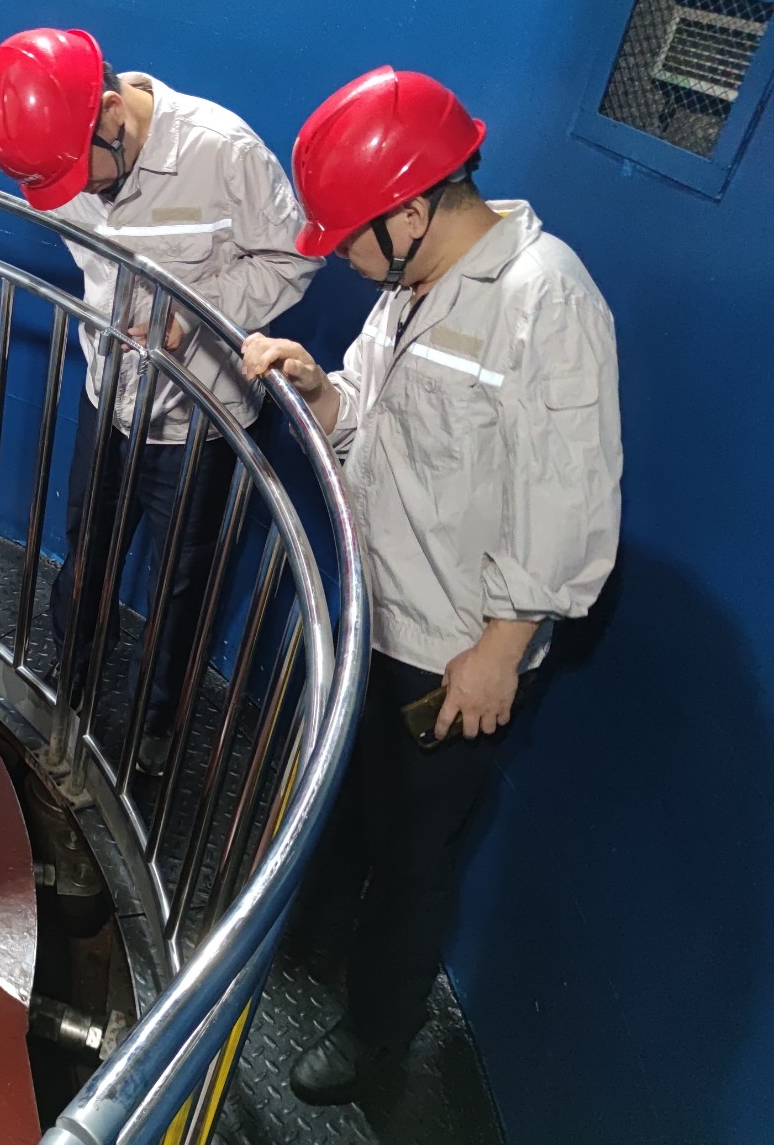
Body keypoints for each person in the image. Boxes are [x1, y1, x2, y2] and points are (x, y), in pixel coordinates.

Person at [242, 67, 622, 1103]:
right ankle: (318, 940)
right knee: (355, 807)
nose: (341, 256)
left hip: (452, 652)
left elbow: (570, 497)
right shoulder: (411, 287)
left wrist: (501, 649)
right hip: (377, 611)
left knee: (416, 856)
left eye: (348, 237)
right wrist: (320, 389)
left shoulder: (546, 300)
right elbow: (367, 414)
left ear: (409, 211)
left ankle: (377, 1035)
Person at [0, 27, 322, 773]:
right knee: (86, 555)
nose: (82, 195)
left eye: (84, 176)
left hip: (201, 421)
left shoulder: (223, 150)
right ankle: (68, 691)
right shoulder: (58, 153)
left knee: (179, 585)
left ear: (109, 113)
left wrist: (192, 313)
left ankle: (153, 727)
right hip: (109, 398)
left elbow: (291, 259)